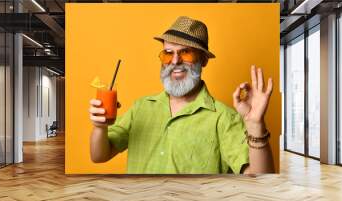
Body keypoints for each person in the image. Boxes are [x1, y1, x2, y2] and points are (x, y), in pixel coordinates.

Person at [89, 16, 274, 174]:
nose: (175, 62)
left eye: (185, 52)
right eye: (168, 53)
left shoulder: (224, 118)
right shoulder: (141, 107)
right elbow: (99, 155)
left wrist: (256, 124)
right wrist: (99, 127)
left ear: (203, 60)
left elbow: (259, 180)